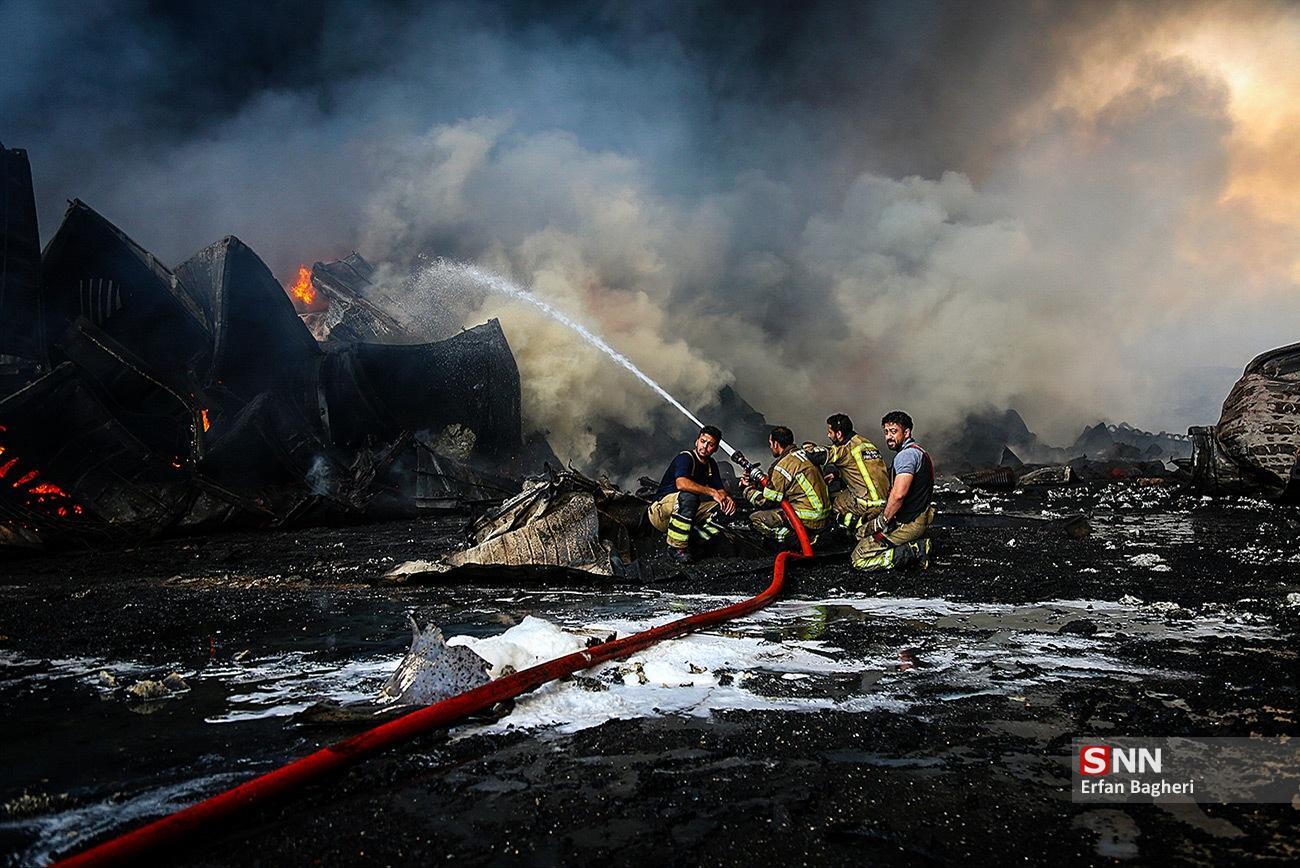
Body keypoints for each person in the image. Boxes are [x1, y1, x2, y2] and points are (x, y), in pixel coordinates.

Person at [851, 410, 935, 571]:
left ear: (907, 432)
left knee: (859, 559)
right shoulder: (918, 452)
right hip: (915, 517)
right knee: (862, 532)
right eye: (886, 432)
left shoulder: (906, 457)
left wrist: (883, 521)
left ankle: (915, 550)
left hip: (908, 523)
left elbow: (899, 495)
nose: (889, 437)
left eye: (894, 431)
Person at [647, 425, 736, 564]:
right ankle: (676, 548)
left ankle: (695, 540)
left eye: (710, 444)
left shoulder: (711, 465)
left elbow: (720, 489)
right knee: (689, 496)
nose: (704, 446)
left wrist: (727, 499)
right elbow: (681, 484)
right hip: (660, 512)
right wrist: (712, 492)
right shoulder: (685, 458)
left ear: (716, 448)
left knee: (725, 508)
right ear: (697, 441)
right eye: (702, 441)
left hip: (686, 511)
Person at [742, 425, 830, 545]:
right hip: (825, 513)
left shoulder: (781, 466)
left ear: (776, 444)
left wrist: (747, 489)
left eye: (770, 443)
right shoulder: (804, 454)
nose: (770, 446)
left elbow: (766, 503)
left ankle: (800, 540)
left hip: (809, 518)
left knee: (756, 519)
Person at [805, 413, 891, 533]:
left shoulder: (845, 449)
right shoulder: (865, 443)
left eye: (830, 432)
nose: (828, 435)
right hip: (885, 498)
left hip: (866, 502)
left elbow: (815, 455)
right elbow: (862, 469)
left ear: (839, 434)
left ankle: (851, 526)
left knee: (834, 503)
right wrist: (836, 475)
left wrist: (807, 446)